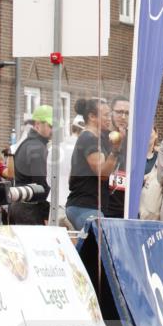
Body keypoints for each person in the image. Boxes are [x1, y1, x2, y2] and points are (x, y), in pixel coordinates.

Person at [65, 99, 122, 231]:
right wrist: (115, 151)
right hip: (85, 207)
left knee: (92, 244)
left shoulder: (94, 139)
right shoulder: (89, 139)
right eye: (106, 115)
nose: (109, 118)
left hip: (85, 206)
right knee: (99, 243)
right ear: (92, 116)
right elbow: (102, 174)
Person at [11, 105, 53, 222]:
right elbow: (41, 183)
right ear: (37, 124)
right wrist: (46, 213)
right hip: (31, 209)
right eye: (50, 126)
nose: (53, 130)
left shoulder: (26, 143)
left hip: (21, 205)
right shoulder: (37, 147)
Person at [105, 97, 130, 219]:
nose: (123, 117)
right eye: (119, 112)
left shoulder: (134, 139)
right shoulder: (101, 137)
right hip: (105, 204)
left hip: (126, 205)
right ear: (111, 113)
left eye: (127, 113)